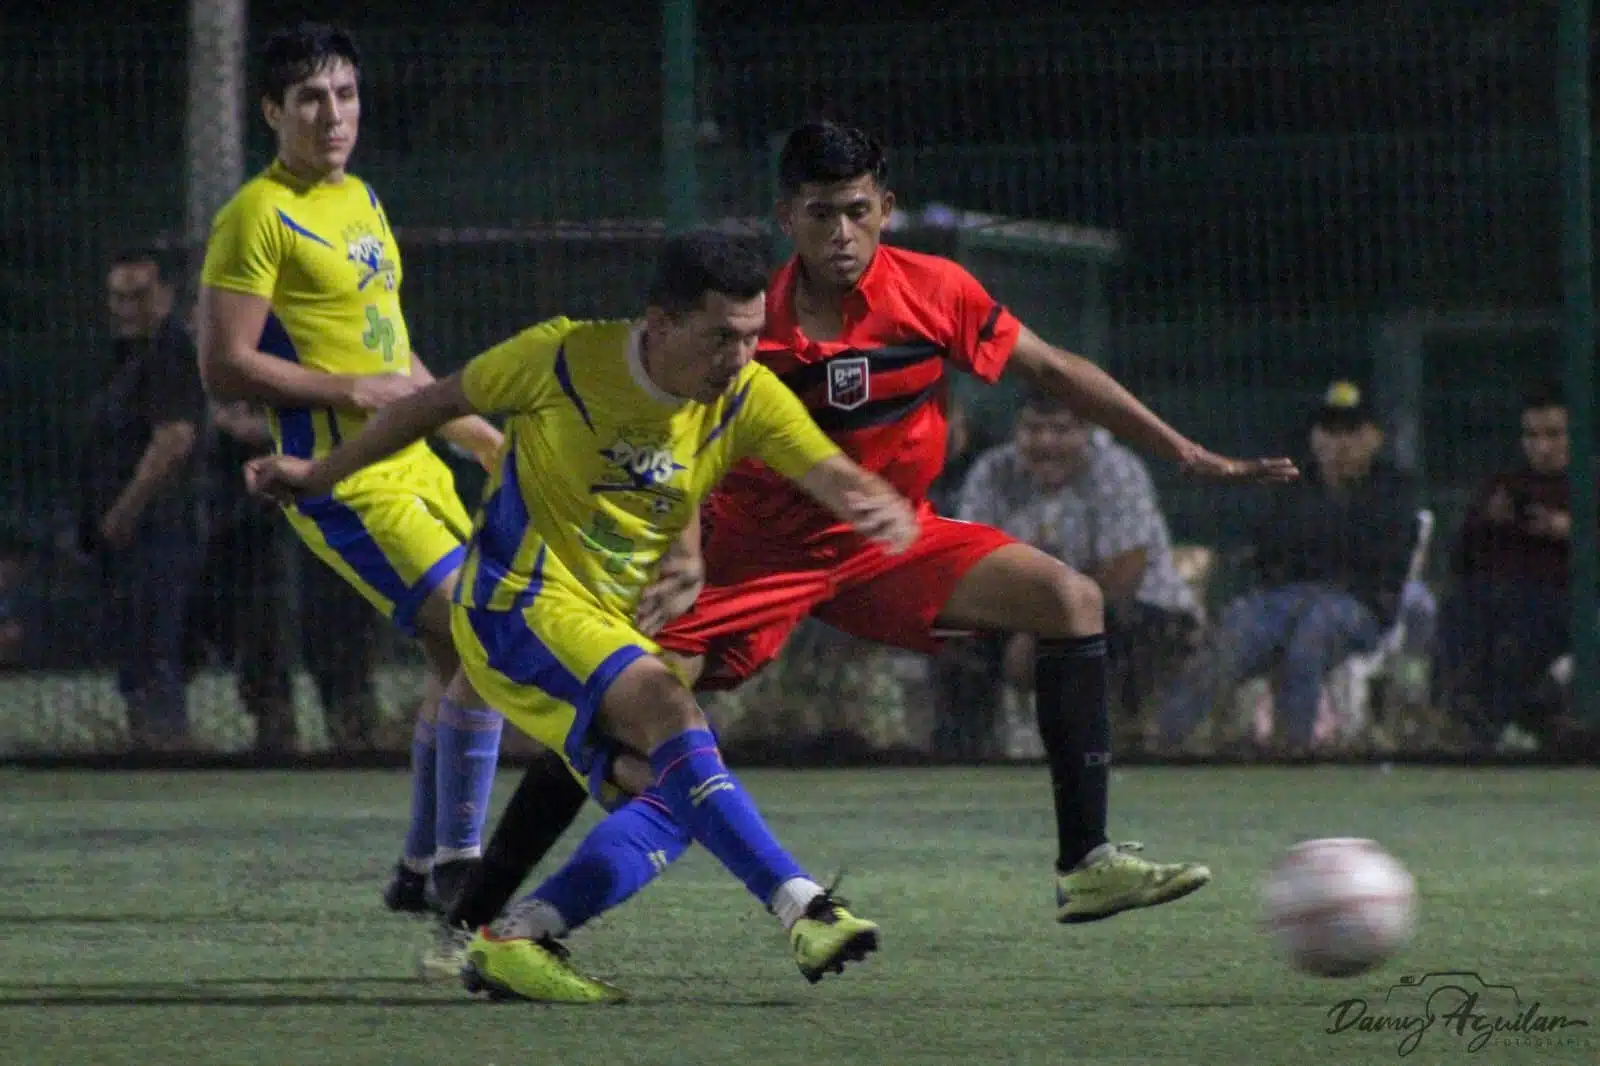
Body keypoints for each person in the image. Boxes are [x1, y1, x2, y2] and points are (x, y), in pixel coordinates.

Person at [442, 120, 1297, 953]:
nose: (841, 232)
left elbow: (1053, 369)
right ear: (788, 219)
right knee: (624, 722)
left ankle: (1087, 862)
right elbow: (676, 445)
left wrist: (1184, 452)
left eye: (857, 210)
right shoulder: (751, 329)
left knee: (1068, 600)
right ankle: (476, 916)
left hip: (889, 542)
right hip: (750, 560)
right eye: (820, 214)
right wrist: (686, 547)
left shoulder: (937, 291)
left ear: (886, 206)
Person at [248, 229, 918, 1002]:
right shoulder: (562, 357)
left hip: (603, 624)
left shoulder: (743, 394)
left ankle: (517, 937)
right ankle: (803, 904)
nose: (740, 358)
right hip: (513, 602)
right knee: (675, 713)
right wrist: (317, 472)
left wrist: (870, 503)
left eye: (752, 336)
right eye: (722, 338)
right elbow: (426, 406)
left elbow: (818, 470)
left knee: (677, 797)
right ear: (660, 323)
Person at [196, 21, 510, 911]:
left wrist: (474, 434)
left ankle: (418, 872)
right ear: (272, 111)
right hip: (340, 481)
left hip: (413, 467)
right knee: (477, 633)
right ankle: (459, 866)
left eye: (345, 94)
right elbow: (224, 366)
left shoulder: (361, 198)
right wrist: (351, 391)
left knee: (456, 657)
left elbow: (392, 354)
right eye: (310, 98)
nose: (332, 114)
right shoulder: (256, 216)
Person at [75, 247, 205, 751]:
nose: (125, 307)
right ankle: (151, 747)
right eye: (117, 296)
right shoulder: (127, 357)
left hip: (157, 531)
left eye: (139, 296)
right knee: (138, 653)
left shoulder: (169, 352)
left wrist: (124, 511)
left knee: (154, 654)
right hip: (131, 535)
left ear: (166, 297)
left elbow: (173, 439)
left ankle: (167, 754)